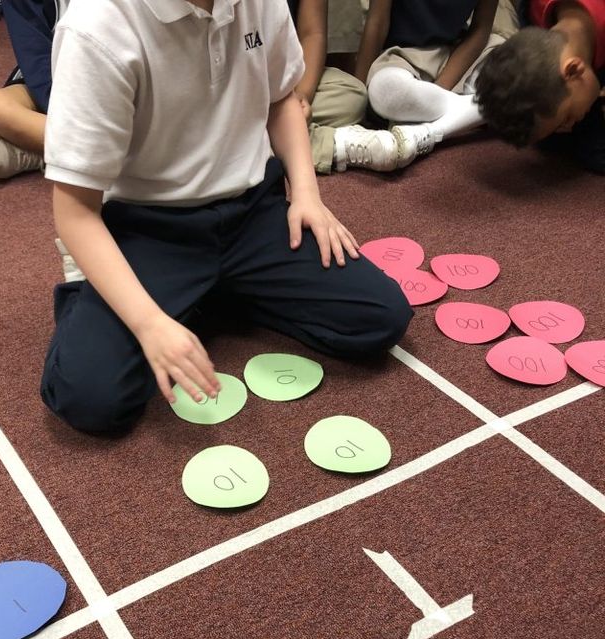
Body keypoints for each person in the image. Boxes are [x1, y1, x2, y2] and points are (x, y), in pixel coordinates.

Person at [39, 0, 412, 435]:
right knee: (87, 397)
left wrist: (307, 193)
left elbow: (281, 99)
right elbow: (75, 212)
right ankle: (107, 296)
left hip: (252, 213)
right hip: (152, 228)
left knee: (380, 319)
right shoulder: (96, 27)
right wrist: (149, 323)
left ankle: (211, 291)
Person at [328, 0, 518, 172]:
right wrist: (359, 95)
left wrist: (440, 88)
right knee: (386, 91)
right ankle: (471, 110)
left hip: (457, 52)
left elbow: (480, 32)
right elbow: (377, 23)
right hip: (401, 55)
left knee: (518, 73)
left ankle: (424, 132)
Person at [475, 1, 605, 173]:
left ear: (574, 71)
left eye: (568, 117)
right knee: (548, 139)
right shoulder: (533, 9)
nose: (568, 126)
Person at [0, 0, 67, 179]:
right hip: (56, 80)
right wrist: (60, 111)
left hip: (114, 85)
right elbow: (36, 60)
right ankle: (65, 151)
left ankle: (39, 148)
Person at [288, 0, 370, 173]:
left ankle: (270, 137)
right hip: (232, 90)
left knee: (353, 95)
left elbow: (312, 34)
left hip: (284, 78)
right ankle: (334, 145)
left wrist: (302, 97)